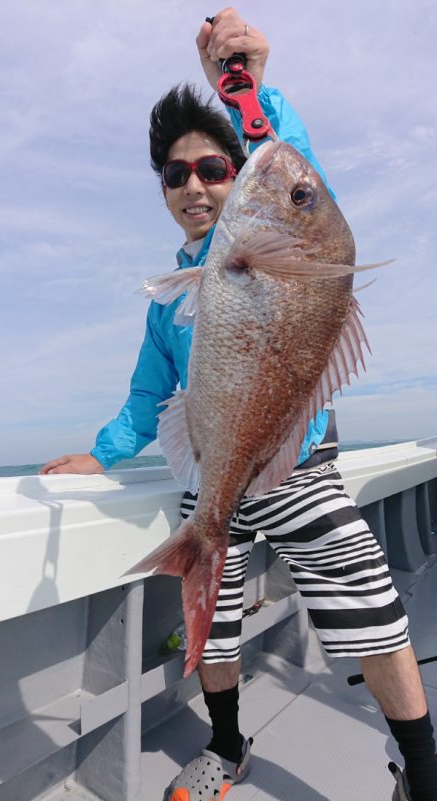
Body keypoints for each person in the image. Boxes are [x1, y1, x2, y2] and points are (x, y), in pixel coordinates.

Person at [41, 9, 436, 801]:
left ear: (239, 172)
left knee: (372, 610)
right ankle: (227, 745)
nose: (194, 185)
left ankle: (423, 775)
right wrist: (104, 453)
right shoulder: (173, 297)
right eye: (176, 175)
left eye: (214, 169)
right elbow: (149, 395)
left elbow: (294, 176)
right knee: (210, 620)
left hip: (297, 462)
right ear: (163, 189)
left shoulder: (284, 247)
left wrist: (252, 90)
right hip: (217, 471)